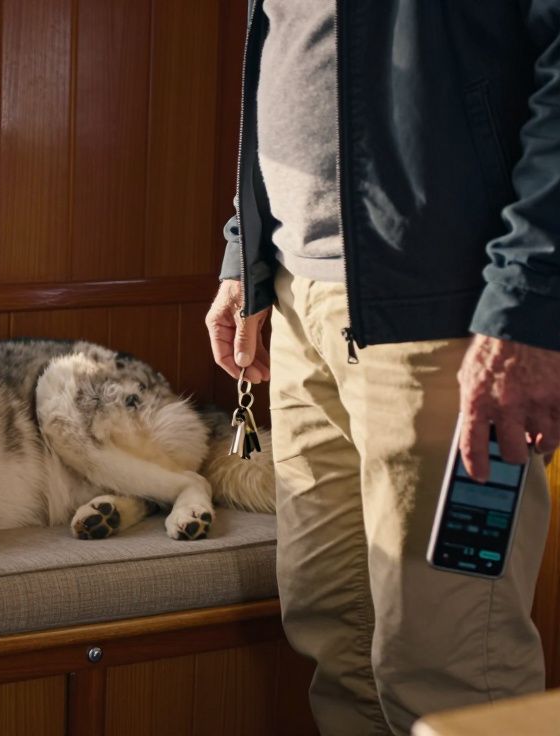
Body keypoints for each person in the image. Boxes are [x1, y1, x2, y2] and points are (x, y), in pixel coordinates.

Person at [204, 3, 560, 734]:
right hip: (297, 301)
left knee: (454, 669)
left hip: (448, 317)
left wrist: (525, 303)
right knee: (332, 630)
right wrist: (247, 252)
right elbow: (287, 49)